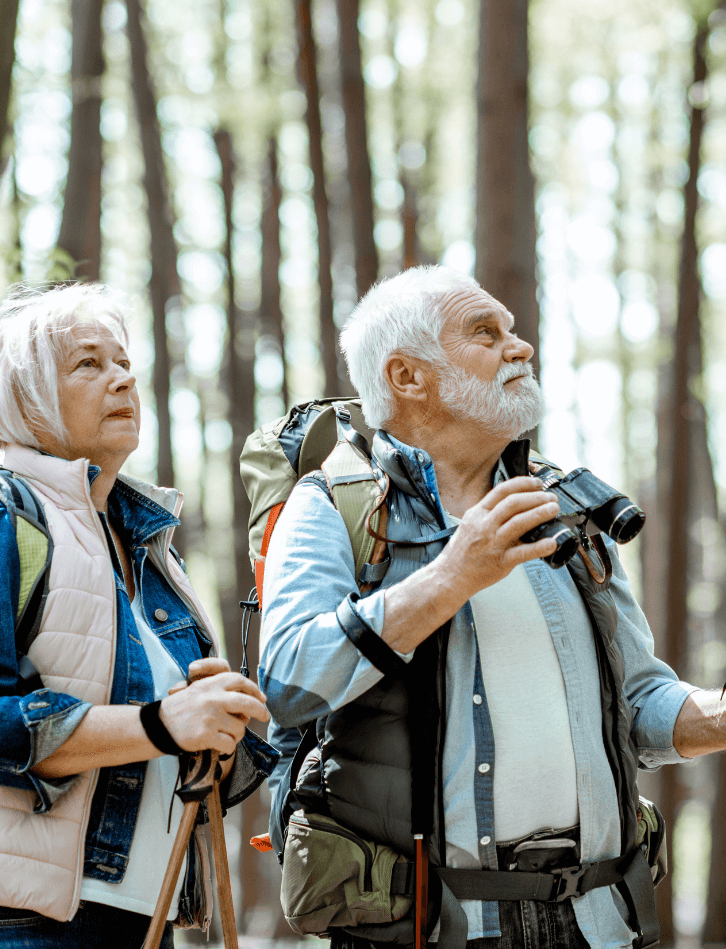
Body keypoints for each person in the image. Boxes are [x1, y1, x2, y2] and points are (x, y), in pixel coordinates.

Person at [258, 265, 726, 949]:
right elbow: (290, 682)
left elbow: (639, 702)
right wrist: (452, 575)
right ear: (407, 376)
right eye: (485, 332)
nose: (521, 347)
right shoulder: (331, 505)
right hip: (438, 927)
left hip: (598, 922)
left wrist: (716, 714)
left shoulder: (567, 508)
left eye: (513, 329)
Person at [0, 283, 277, 949]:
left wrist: (216, 722)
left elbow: (156, 748)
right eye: (89, 364)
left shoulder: (144, 544)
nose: (123, 378)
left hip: (133, 917)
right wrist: (161, 722)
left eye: (124, 362)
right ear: (25, 396)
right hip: (10, 923)